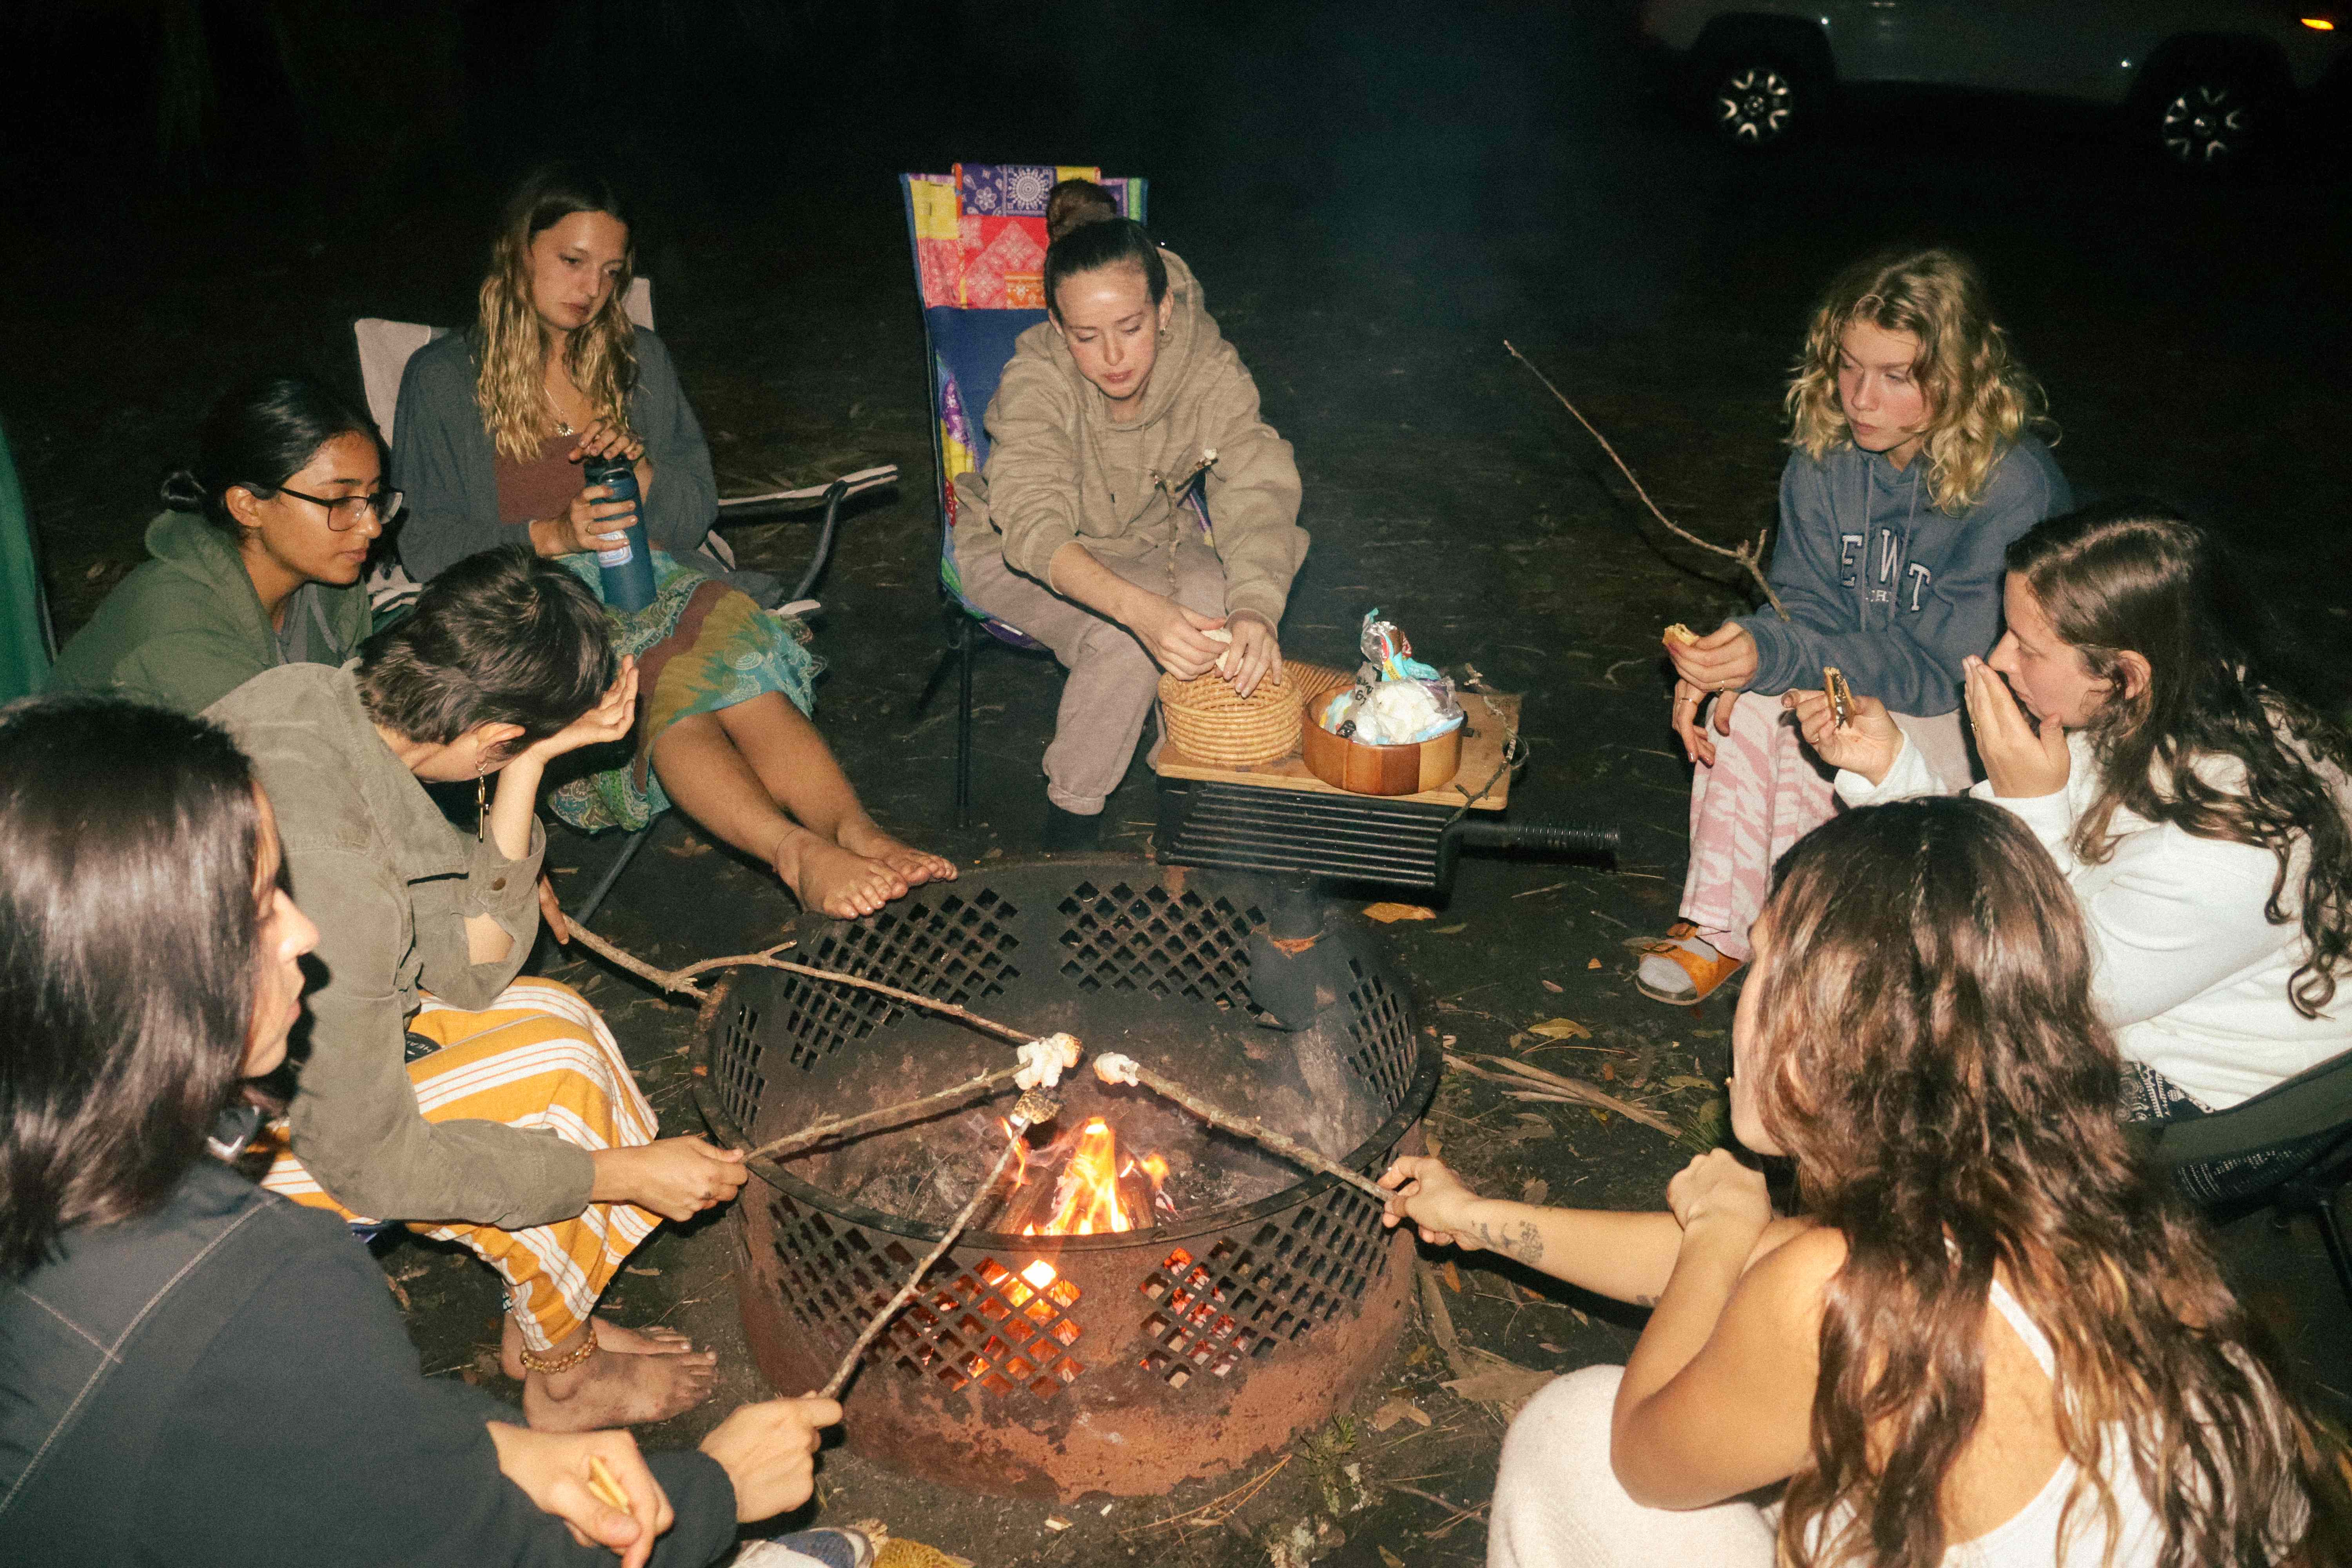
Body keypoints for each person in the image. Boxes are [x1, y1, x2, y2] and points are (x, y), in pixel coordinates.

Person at [1380, 798, 2349, 1567]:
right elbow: (1745, 1259)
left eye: (1765, 965)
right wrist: (1479, 1217)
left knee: (1574, 1435)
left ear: (1831, 1022)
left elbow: (1645, 1458)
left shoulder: (1841, 1291)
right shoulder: (2054, 1187)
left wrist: (1717, 1232)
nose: (1745, 1000)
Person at [0, 693, 847, 1566]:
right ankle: (574, 1382)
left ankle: (551, 1348)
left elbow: (302, 1448)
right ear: (140, 961)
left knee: (551, 1030)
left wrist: (495, 1448)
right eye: (258, 908)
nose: (305, 931)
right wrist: (718, 1487)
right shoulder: (264, 1284)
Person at [207, 547, 746, 1431]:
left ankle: (547, 1329)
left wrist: (530, 763)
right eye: (512, 749)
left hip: (268, 1058)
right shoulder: (337, 883)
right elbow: (372, 1163)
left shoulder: (312, 701)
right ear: (490, 733)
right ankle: (564, 1380)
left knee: (560, 1022)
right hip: (194, 1155)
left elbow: (469, 969)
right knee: (553, 1095)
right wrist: (619, 1173)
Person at [393, 162, 950, 919]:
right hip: (535, 607)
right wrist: (552, 534)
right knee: (671, 678)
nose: (591, 289)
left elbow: (691, 521)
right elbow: (426, 546)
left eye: (611, 272)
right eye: (572, 261)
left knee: (734, 663)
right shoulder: (441, 379)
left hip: (657, 579)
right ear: (518, 251)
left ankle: (859, 832)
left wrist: (643, 467)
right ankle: (794, 850)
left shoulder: (639, 361)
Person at [1796, 504, 2352, 1200]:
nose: (2000, 658)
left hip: (2202, 1105)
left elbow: (2037, 989)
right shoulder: (2167, 708)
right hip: (2111, 993)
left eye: (2028, 647)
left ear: (2125, 674)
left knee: (1888, 1084)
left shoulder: (2231, 845)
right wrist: (1890, 770)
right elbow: (1987, 875)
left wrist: (2028, 805)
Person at [1638, 248, 2069, 1005]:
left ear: (1958, 375)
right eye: (1848, 366)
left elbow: (1945, 669)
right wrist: (1742, 656)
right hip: (1872, 683)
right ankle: (1724, 927)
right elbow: (1804, 607)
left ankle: (1818, 941)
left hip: (1975, 723)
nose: (1862, 399)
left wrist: (1780, 653)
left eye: (1897, 376)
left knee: (1798, 695)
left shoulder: (2011, 487)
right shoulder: (1825, 459)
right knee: (1748, 704)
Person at [951, 207, 1308, 849]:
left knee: (1216, 615)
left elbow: (1254, 483)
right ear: (1058, 327)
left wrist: (1256, 607)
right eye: (1086, 336)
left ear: (1164, 309)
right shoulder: (1038, 379)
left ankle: (1191, 798)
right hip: (1017, 554)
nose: (1113, 357)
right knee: (1124, 639)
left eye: (1131, 328)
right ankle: (1072, 823)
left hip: (1148, 535)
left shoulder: (1207, 370)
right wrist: (1140, 612)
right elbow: (1032, 525)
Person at [48, 372, 383, 712]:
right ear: (248, 506)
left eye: (373, 497)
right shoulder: (179, 628)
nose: (372, 527)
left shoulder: (331, 582)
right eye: (340, 500)